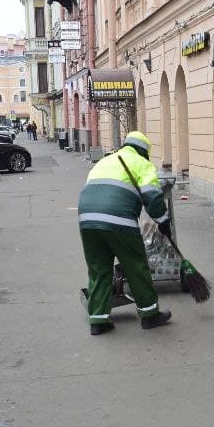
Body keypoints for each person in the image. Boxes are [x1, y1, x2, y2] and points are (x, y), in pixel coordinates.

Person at [77, 131, 172, 335]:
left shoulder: (105, 161)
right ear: (144, 151)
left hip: (87, 219)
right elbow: (153, 197)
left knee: (98, 268)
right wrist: (163, 221)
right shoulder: (141, 163)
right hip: (119, 220)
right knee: (136, 267)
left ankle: (98, 320)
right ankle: (149, 315)